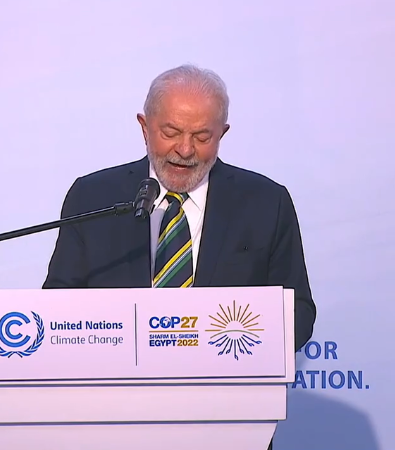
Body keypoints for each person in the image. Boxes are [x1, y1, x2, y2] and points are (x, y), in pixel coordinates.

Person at [42, 64, 316, 449]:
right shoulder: (94, 197)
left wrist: (226, 339)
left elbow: (298, 315)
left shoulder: (266, 203)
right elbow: (57, 306)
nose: (185, 150)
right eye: (170, 133)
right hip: (110, 422)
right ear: (144, 127)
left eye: (202, 137)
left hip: (229, 423)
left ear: (222, 134)